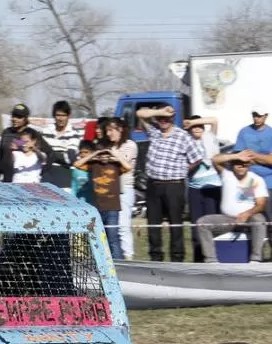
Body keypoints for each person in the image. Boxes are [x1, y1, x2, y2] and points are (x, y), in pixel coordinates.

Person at [136, 104, 201, 262]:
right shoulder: (154, 131)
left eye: (167, 118)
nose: (163, 121)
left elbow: (197, 157)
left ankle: (177, 257)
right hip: (153, 185)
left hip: (174, 185)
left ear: (173, 118)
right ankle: (156, 257)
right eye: (160, 118)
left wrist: (183, 170)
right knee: (153, 224)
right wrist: (159, 112)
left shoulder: (183, 136)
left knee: (175, 223)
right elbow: (140, 113)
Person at [195, 151, 269, 264]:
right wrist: (236, 156)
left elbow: (261, 205)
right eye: (237, 163)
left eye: (244, 164)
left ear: (249, 165)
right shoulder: (226, 175)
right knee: (202, 223)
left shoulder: (257, 180)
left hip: (249, 219)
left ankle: (256, 259)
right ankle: (211, 260)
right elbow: (215, 160)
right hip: (228, 219)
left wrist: (246, 214)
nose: (241, 167)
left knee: (259, 220)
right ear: (232, 165)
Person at [234, 106, 272, 261]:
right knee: (251, 218)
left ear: (266, 116)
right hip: (248, 182)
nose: (257, 118)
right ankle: (256, 255)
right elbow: (240, 157)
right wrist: (262, 158)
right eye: (255, 115)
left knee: (271, 220)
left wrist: (253, 155)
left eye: (260, 115)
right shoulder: (244, 132)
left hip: (269, 182)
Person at [74, 135, 133, 260]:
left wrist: (113, 154)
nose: (104, 156)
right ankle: (102, 261)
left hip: (112, 207)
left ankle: (119, 263)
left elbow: (128, 167)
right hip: (98, 207)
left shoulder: (115, 165)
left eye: (107, 153)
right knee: (100, 237)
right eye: (102, 154)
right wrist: (95, 153)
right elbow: (77, 164)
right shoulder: (93, 165)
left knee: (113, 237)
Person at [185, 115, 222, 262]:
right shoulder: (187, 143)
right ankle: (198, 259)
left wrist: (193, 122)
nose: (197, 129)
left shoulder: (210, 137)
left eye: (200, 126)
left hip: (212, 188)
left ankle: (214, 257)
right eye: (194, 127)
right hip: (195, 189)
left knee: (212, 225)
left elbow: (214, 120)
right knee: (196, 226)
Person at [101, 117, 138, 260]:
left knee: (123, 227)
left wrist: (107, 155)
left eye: (111, 130)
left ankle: (128, 257)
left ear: (120, 130)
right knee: (111, 228)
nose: (108, 134)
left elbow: (122, 161)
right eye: (107, 131)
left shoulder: (130, 145)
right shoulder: (109, 147)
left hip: (124, 190)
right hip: (109, 191)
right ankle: (115, 257)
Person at [0, 103, 48, 182]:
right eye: (13, 115)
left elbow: (49, 154)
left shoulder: (32, 134)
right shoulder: (6, 132)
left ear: (25, 119)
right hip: (6, 180)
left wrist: (40, 173)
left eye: (19, 117)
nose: (15, 119)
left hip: (25, 181)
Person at [40, 100, 83, 190]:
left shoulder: (74, 133)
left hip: (65, 180)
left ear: (68, 116)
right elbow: (41, 154)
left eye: (63, 115)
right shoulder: (45, 131)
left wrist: (50, 154)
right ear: (54, 116)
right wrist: (60, 154)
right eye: (58, 115)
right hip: (46, 179)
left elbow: (70, 158)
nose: (60, 118)